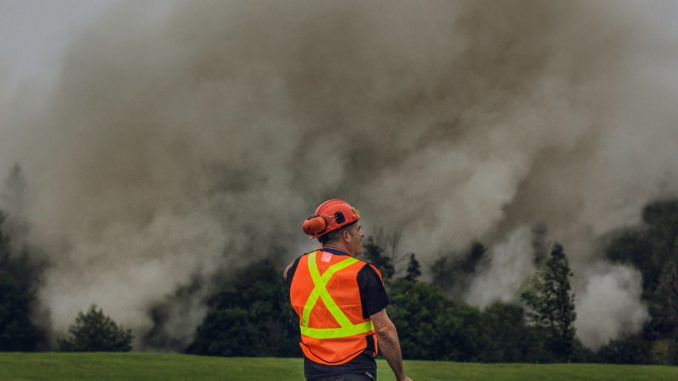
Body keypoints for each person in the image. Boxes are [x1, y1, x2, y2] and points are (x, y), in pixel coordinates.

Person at [284, 199, 412, 381]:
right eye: (358, 229)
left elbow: (287, 272)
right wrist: (401, 376)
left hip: (314, 371)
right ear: (346, 236)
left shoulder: (299, 267)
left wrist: (322, 250)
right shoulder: (364, 273)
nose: (362, 235)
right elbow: (384, 330)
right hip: (354, 369)